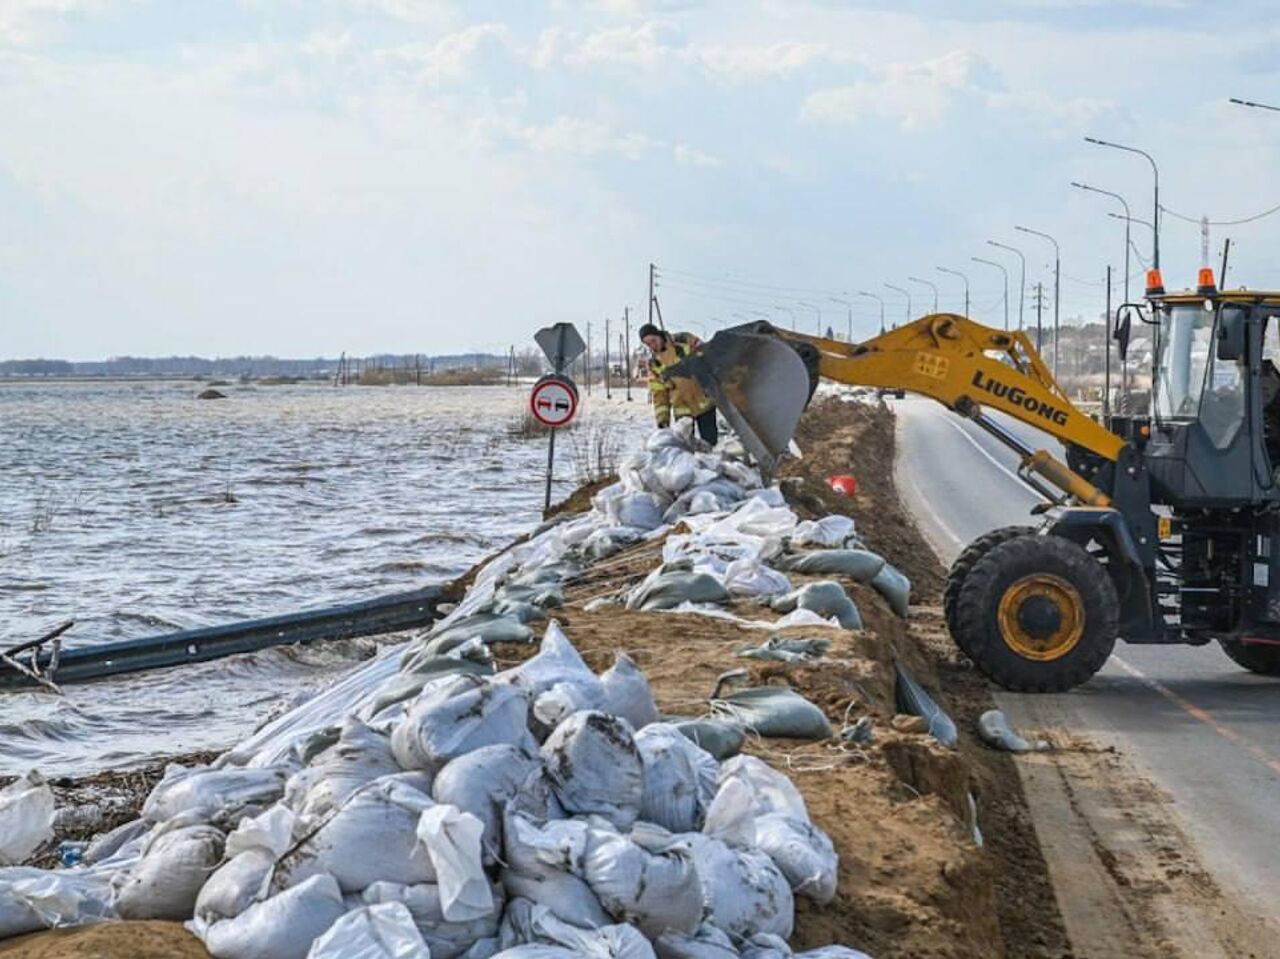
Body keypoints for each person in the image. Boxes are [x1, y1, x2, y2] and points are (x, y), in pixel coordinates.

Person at [638, 323, 719, 445]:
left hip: (704, 402)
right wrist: (662, 420)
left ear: (659, 335)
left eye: (653, 340)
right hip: (682, 409)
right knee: (686, 447)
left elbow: (707, 356)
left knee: (710, 444)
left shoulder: (684, 340)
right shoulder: (654, 364)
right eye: (648, 344)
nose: (652, 345)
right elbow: (659, 394)